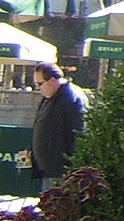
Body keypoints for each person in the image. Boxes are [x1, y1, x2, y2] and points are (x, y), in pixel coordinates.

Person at [30, 62, 86, 191]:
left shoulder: (70, 98)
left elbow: (79, 134)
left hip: (61, 171)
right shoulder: (51, 96)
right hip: (48, 168)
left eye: (40, 83)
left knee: (56, 207)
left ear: (52, 80)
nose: (38, 88)